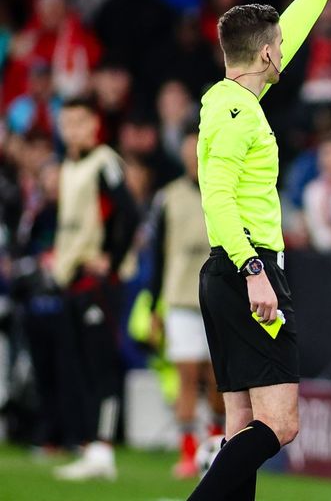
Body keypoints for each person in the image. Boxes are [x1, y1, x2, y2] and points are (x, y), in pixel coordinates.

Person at [187, 0, 331, 501]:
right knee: (280, 424)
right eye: (278, 46)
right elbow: (216, 196)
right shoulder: (239, 114)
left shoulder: (228, 100)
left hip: (226, 271)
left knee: (242, 424)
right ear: (265, 54)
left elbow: (290, 28)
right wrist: (254, 270)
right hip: (247, 267)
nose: (286, 50)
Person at [51, 98, 139, 481]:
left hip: (96, 282)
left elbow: (129, 212)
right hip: (71, 278)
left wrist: (112, 261)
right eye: (66, 122)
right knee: (79, 366)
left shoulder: (104, 162)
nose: (72, 130)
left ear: (94, 125)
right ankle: (90, 447)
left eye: (79, 122)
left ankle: (103, 447)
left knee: (100, 364)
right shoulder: (69, 166)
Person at [146, 126, 226, 478]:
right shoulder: (168, 197)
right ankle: (188, 451)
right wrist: (154, 306)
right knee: (187, 376)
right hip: (180, 297)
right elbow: (158, 254)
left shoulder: (224, 190)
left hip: (218, 298)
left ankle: (217, 443)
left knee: (218, 379)